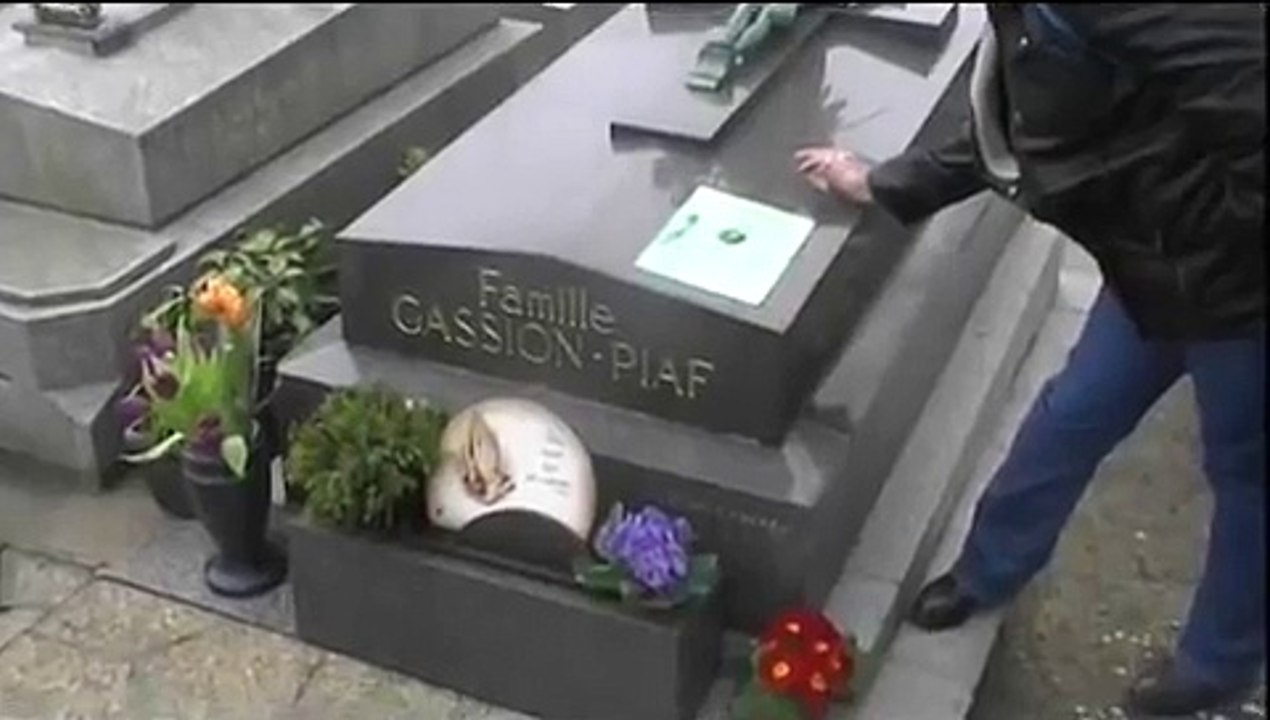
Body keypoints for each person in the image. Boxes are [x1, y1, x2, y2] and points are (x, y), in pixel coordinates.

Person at [795, 4, 1265, 716]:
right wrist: (888, 185)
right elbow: (1022, 124)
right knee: (1071, 415)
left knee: (1248, 477)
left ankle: (1214, 667)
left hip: (1236, 294)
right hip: (1150, 269)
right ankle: (987, 571)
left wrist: (1216, 246)